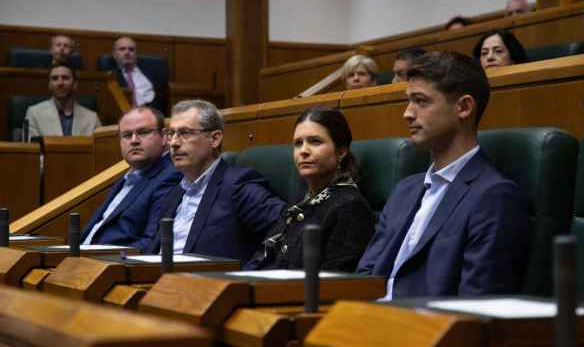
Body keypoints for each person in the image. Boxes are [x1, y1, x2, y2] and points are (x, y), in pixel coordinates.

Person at [357, 51, 529, 299]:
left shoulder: (495, 197)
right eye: (408, 101)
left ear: (464, 107)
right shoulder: (404, 190)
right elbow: (366, 274)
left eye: (421, 101)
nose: (407, 113)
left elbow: (477, 307)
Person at [149, 100, 286, 262]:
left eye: (185, 133)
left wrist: (246, 274)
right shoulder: (174, 194)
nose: (174, 143)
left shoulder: (237, 185)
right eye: (171, 133)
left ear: (214, 139)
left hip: (207, 283)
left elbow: (287, 229)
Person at [244, 107, 375, 272]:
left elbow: (335, 282)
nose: (303, 151)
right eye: (298, 143)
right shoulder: (302, 202)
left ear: (341, 151)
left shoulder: (350, 206)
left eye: (315, 141)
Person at [81, 106, 181, 251]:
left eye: (143, 132)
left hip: (112, 265)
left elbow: (151, 243)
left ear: (165, 137)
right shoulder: (128, 176)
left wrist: (96, 257)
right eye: (127, 135)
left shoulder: (170, 175)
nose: (134, 140)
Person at [25, 64, 101, 139]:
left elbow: (100, 148)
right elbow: (31, 149)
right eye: (55, 78)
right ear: (49, 85)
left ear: (75, 84)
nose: (60, 83)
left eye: (65, 78)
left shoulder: (92, 118)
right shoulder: (34, 113)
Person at [111, 36, 163, 110]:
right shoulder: (111, 76)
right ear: (114, 54)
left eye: (131, 49)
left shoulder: (152, 72)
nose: (127, 52)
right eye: (122, 49)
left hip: (151, 113)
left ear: (136, 54)